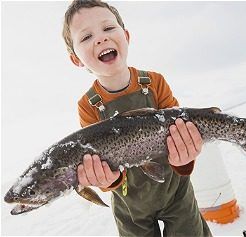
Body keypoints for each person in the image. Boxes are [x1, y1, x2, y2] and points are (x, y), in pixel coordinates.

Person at [62, 0, 212, 236]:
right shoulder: (88, 106)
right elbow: (100, 169)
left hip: (177, 193)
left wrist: (186, 154)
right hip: (130, 207)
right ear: (76, 59)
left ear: (126, 35)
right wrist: (106, 180)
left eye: (108, 28)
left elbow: (181, 136)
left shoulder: (154, 82)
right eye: (86, 37)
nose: (101, 38)